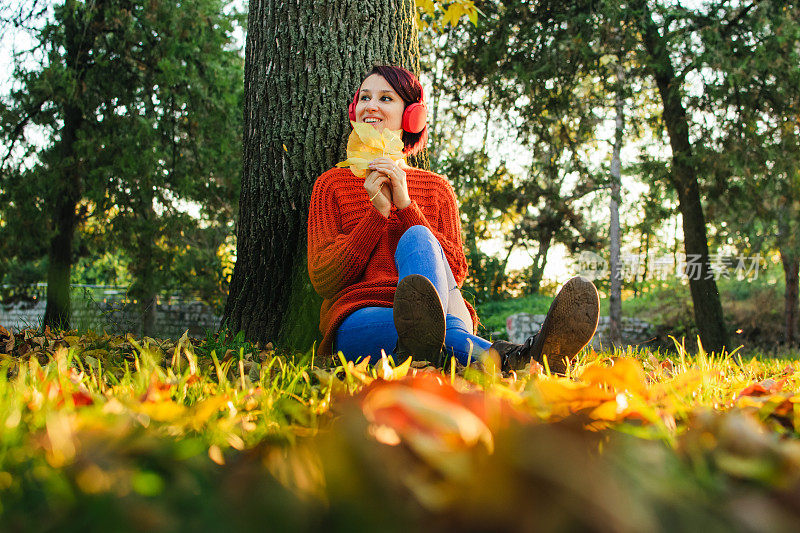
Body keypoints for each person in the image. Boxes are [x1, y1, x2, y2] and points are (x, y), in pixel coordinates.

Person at [307, 65, 600, 374]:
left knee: (418, 238)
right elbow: (326, 279)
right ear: (355, 110)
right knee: (448, 335)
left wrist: (406, 205)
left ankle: (427, 348)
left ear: (412, 115)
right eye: (364, 97)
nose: (372, 105)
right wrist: (377, 213)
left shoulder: (437, 188)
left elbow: (455, 273)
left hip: (444, 313)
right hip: (365, 315)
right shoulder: (332, 184)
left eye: (385, 98)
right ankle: (527, 358)